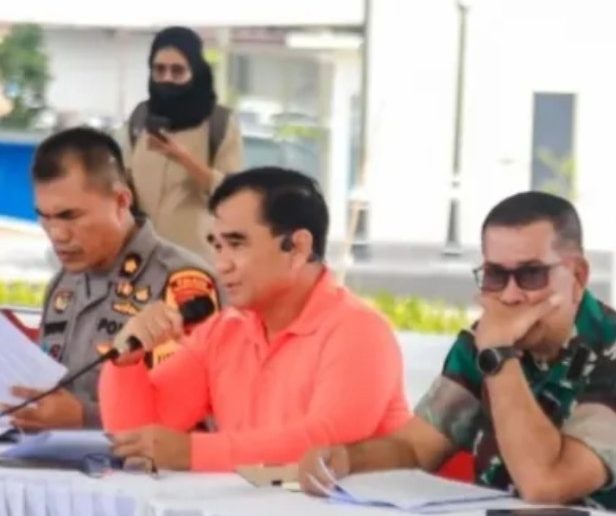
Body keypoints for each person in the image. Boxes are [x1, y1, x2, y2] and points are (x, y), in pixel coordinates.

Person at [298, 191, 616, 516]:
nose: (509, 296)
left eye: (531, 275)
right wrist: (347, 459)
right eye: (494, 275)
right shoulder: (485, 342)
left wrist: (500, 356)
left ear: (577, 277)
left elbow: (546, 485)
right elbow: (418, 447)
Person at [99, 167, 410, 472]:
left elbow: (324, 449)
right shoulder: (224, 331)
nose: (221, 265)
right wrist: (126, 362)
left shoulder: (358, 331)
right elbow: (138, 441)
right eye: (217, 247)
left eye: (236, 245)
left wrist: (193, 451)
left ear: (297, 247)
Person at [1, 127, 221, 431]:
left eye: (70, 216)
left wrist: (85, 418)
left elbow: (198, 419)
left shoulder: (182, 283)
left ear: (121, 201)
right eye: (45, 216)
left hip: (143, 474)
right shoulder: (63, 285)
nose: (57, 234)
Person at [124, 26, 243, 260]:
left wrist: (184, 159)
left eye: (177, 71)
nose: (167, 78)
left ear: (195, 72)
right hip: (140, 262)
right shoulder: (140, 118)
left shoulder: (220, 124)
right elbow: (123, 181)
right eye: (159, 70)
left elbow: (232, 195)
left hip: (195, 264)